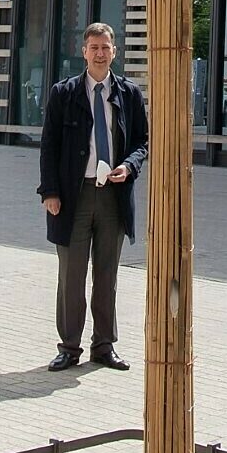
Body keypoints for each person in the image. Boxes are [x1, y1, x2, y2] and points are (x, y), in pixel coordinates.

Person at [37, 22, 148, 372]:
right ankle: (69, 346)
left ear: (115, 52)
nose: (100, 53)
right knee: (71, 275)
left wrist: (129, 167)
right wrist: (50, 192)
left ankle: (104, 345)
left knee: (107, 275)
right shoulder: (64, 93)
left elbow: (142, 142)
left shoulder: (128, 93)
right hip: (73, 196)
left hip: (113, 196)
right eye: (93, 47)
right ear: (84, 52)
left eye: (106, 47)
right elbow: (49, 146)